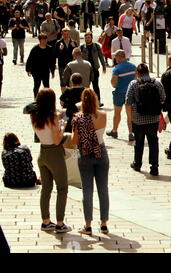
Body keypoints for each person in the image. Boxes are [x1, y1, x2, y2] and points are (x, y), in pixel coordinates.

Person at [31, 88, 71, 233]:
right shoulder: (53, 117)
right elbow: (57, 139)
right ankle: (60, 223)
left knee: (46, 189)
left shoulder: (34, 116)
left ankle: (46, 221)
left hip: (42, 153)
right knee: (62, 188)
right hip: (54, 153)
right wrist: (63, 125)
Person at [71, 88, 110, 236]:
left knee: (87, 191)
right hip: (101, 152)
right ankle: (104, 224)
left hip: (85, 154)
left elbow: (75, 141)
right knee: (103, 189)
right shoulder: (103, 115)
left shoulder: (78, 118)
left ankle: (88, 225)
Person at [126, 63, 165, 176]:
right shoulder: (157, 83)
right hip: (153, 118)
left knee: (139, 142)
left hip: (138, 118)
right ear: (148, 72)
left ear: (137, 73)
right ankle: (154, 167)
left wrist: (130, 117)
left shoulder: (133, 84)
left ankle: (137, 164)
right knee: (153, 142)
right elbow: (163, 99)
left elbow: (128, 101)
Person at [107, 49, 136, 141]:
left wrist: (116, 86)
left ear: (119, 57)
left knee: (117, 113)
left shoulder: (117, 68)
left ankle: (114, 131)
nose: (114, 58)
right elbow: (136, 79)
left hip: (119, 93)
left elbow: (113, 82)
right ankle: (131, 133)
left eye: (115, 57)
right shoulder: (133, 66)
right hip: (131, 93)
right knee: (130, 114)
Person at [80, 32, 107, 106]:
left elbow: (101, 57)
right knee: (85, 87)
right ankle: (85, 103)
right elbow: (78, 57)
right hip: (85, 70)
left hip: (94, 69)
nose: (87, 39)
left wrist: (103, 67)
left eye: (88, 37)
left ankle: (98, 102)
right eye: (86, 38)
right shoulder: (82, 47)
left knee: (95, 86)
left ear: (91, 38)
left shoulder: (96, 46)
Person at [26, 33, 56, 98]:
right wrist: (28, 69)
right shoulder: (35, 49)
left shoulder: (49, 49)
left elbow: (52, 61)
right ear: (40, 40)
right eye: (43, 39)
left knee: (47, 86)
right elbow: (30, 59)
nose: (45, 41)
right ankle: (35, 98)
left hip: (45, 71)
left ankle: (47, 100)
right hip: (36, 71)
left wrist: (52, 71)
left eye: (46, 39)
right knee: (36, 85)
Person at [55, 27, 78, 92]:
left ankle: (70, 96)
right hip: (62, 65)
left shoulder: (73, 42)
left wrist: (74, 47)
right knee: (62, 82)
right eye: (64, 34)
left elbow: (78, 53)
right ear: (62, 34)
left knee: (71, 81)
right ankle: (63, 97)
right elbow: (56, 55)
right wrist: (60, 49)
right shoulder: (58, 43)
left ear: (69, 34)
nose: (66, 36)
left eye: (67, 34)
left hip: (71, 65)